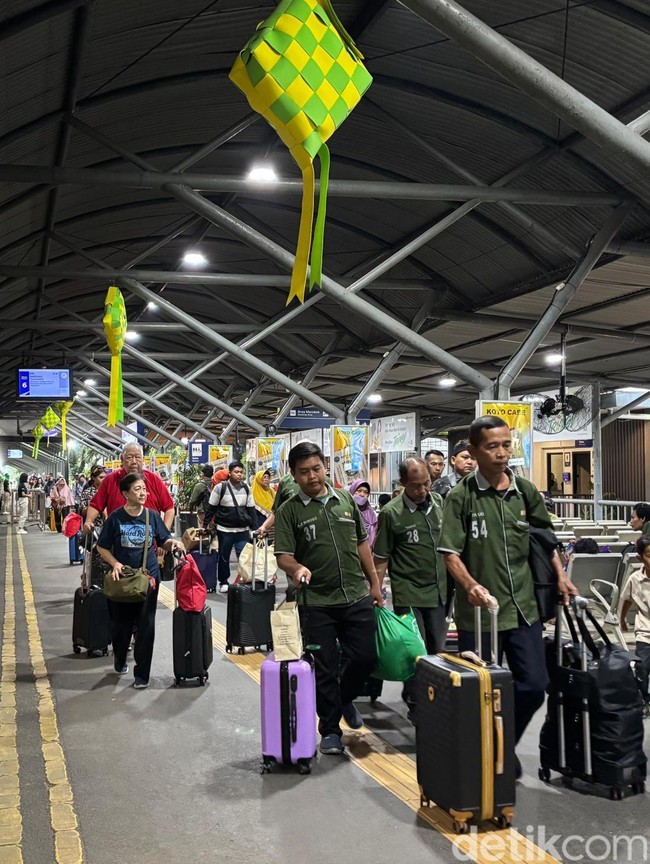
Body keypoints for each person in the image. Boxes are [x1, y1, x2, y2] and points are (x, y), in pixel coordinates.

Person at [439, 415, 577, 778]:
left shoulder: (525, 491)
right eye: (492, 447)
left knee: (535, 684)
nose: (501, 454)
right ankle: (483, 758)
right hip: (480, 615)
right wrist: (470, 585)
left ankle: (502, 743)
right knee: (483, 692)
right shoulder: (461, 497)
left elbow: (546, 541)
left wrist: (561, 576)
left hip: (524, 608)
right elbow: (450, 553)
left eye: (505, 445)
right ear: (473, 451)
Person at [274, 441, 383, 756]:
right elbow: (283, 555)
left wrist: (374, 583)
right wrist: (297, 568)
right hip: (317, 603)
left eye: (317, 469)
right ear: (294, 475)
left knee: (365, 658)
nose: (312, 476)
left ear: (325, 467)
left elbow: (363, 545)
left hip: (355, 595)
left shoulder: (346, 500)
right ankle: (331, 730)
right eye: (304, 472)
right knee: (324, 667)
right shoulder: (289, 510)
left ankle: (344, 697)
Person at [97, 473, 184, 688]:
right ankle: (119, 658)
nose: (143, 492)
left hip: (148, 579)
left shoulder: (152, 516)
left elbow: (163, 540)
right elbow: (102, 546)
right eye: (137, 489)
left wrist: (174, 544)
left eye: (144, 489)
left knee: (146, 626)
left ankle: (142, 674)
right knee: (120, 626)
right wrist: (115, 563)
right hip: (122, 580)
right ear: (125, 494)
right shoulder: (116, 518)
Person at [84, 444, 175, 532]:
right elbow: (95, 505)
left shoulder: (154, 480)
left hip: (150, 543)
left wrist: (165, 535)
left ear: (143, 460)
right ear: (122, 460)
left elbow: (169, 508)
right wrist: (89, 521)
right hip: (117, 540)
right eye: (129, 458)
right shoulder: (111, 480)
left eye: (138, 457)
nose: (134, 462)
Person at [203, 461, 256, 593]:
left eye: (241, 472)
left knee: (244, 557)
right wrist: (205, 525)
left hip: (242, 530)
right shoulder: (220, 488)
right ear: (230, 473)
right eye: (236, 472)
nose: (239, 474)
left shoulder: (246, 488)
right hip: (224, 530)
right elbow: (211, 508)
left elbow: (251, 509)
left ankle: (245, 579)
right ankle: (224, 582)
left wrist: (255, 529)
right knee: (224, 557)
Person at [620, 536, 650, 712]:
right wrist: (622, 618)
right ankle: (643, 700)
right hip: (646, 631)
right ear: (639, 557)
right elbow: (627, 599)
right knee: (642, 667)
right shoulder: (635, 579)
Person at [348, 478, 378, 549]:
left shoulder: (371, 515)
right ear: (352, 491)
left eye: (366, 492)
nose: (362, 494)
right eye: (359, 491)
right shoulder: (347, 511)